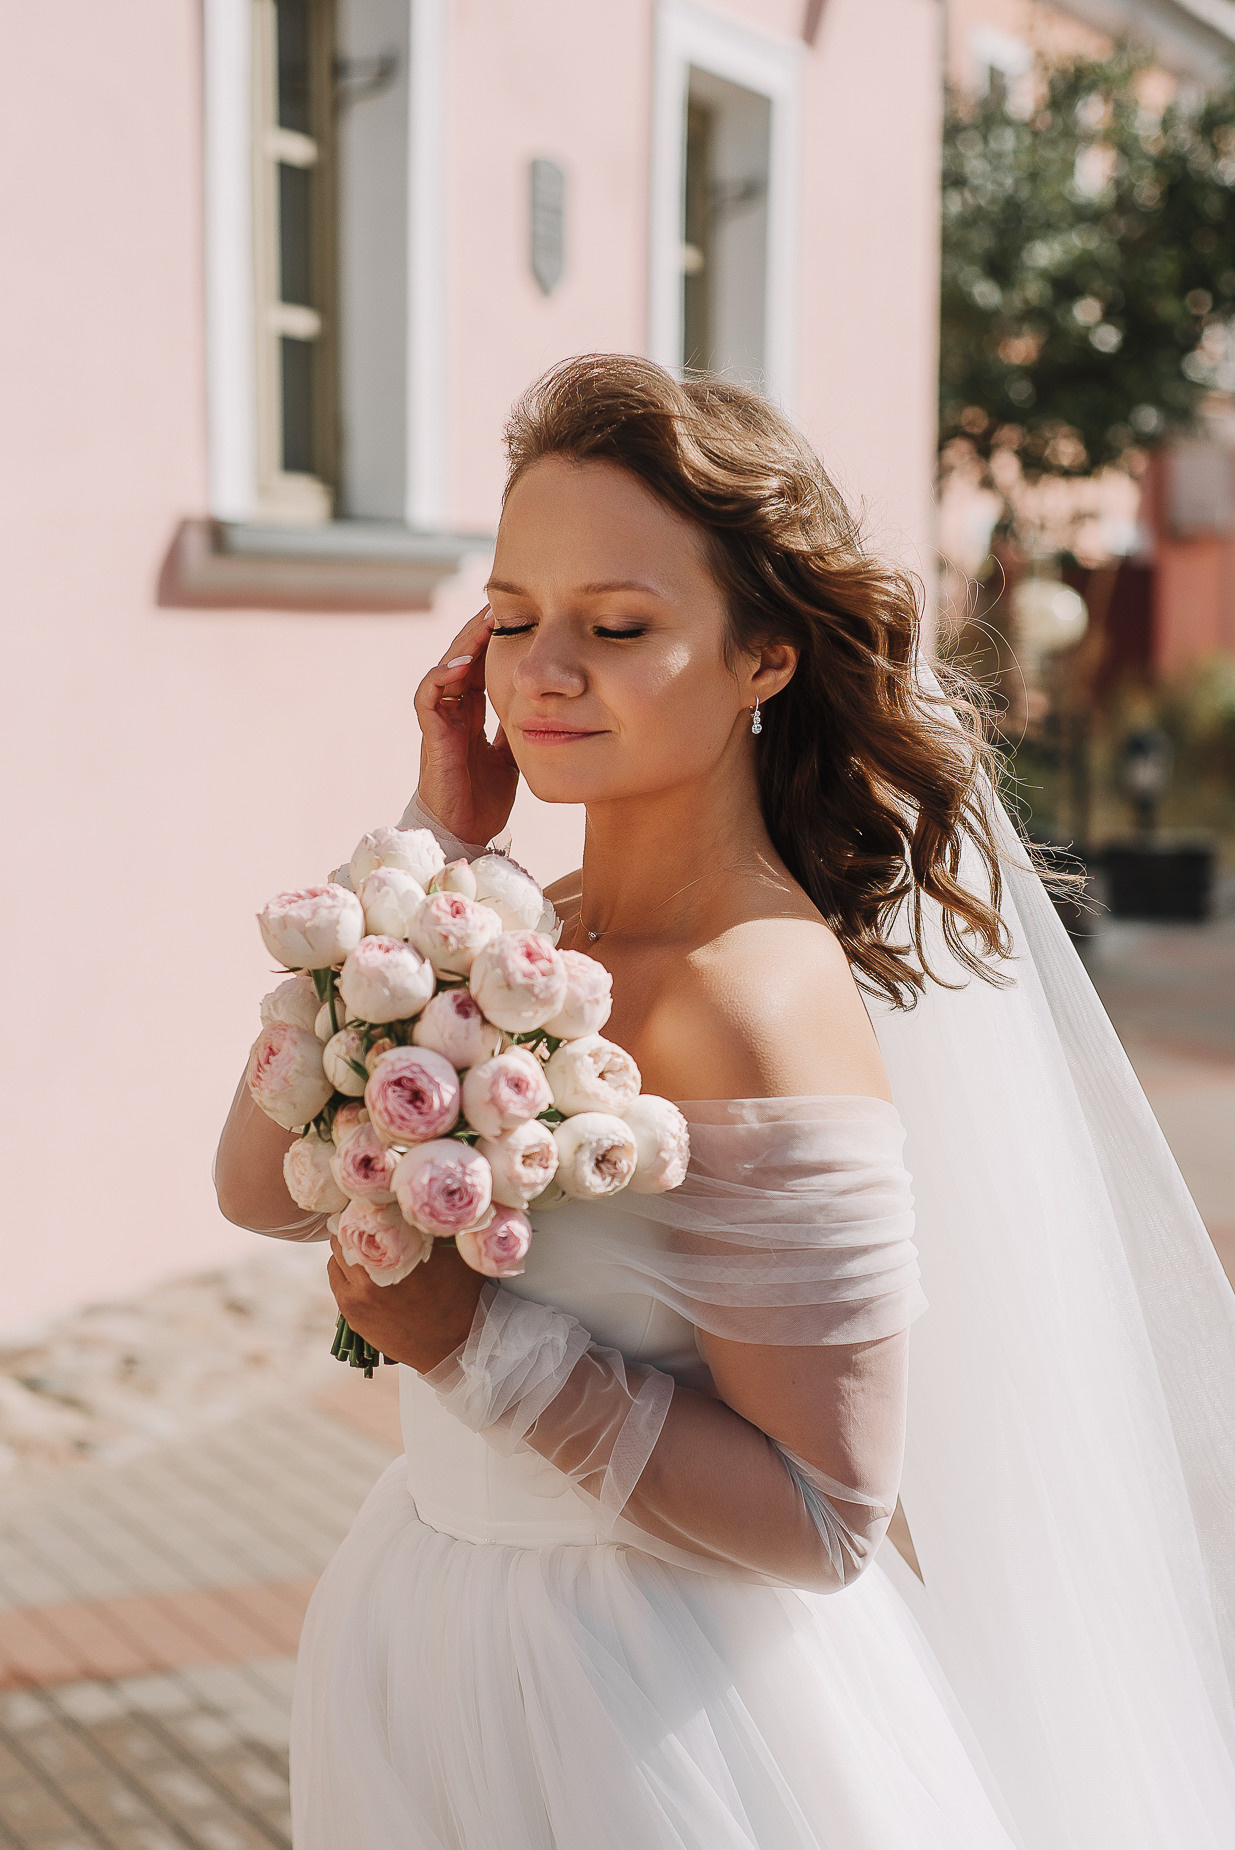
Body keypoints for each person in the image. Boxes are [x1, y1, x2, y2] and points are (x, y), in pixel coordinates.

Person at [214, 355, 1235, 1849]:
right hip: (419, 1641)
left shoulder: (756, 1000)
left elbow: (828, 1517)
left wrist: (478, 1347)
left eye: (617, 627)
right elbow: (251, 1179)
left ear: (764, 655)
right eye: (512, 618)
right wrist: (436, 830)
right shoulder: (516, 924)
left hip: (651, 1714)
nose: (540, 674)